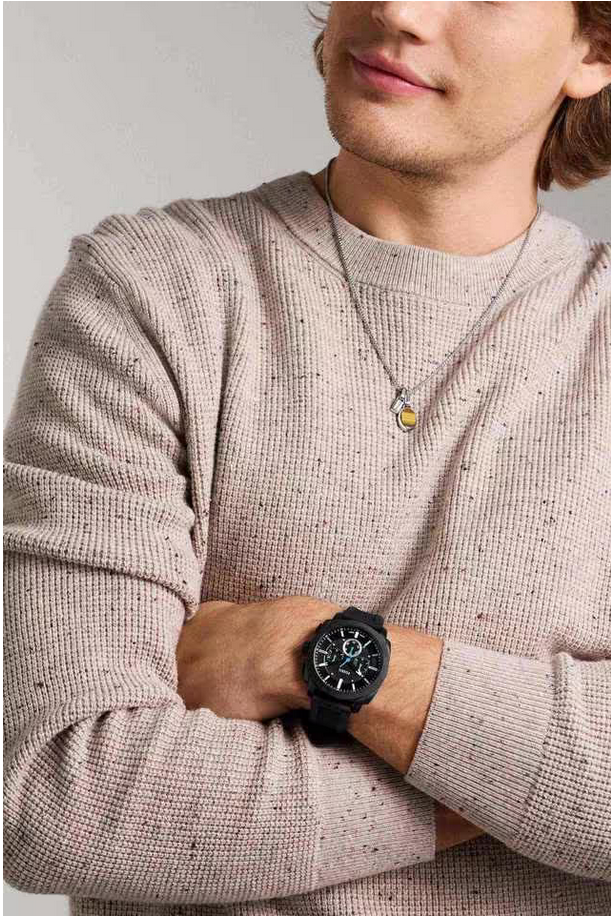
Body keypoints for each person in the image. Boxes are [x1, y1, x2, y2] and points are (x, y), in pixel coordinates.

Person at [4, 3, 611, 916]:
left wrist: (318, 655)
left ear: (594, 50)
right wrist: (527, 779)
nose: (399, 10)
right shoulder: (152, 289)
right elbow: (64, 800)